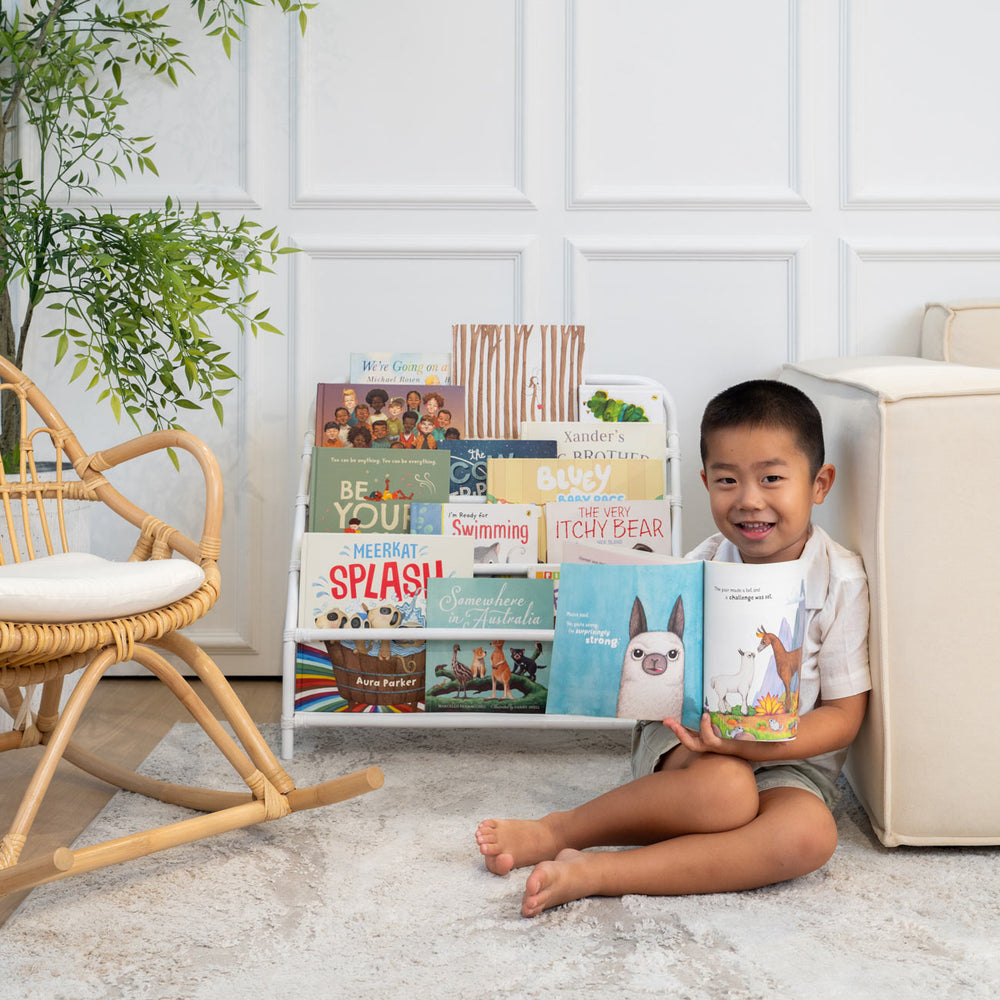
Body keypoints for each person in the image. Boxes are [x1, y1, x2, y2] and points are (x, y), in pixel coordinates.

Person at [475, 379, 871, 918]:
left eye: (772, 478)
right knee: (726, 793)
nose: (749, 500)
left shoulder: (841, 579)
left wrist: (753, 747)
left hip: (789, 762)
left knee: (809, 836)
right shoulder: (700, 562)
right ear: (706, 481)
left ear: (819, 483)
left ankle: (598, 872)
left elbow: (845, 717)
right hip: (689, 741)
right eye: (728, 481)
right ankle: (559, 829)